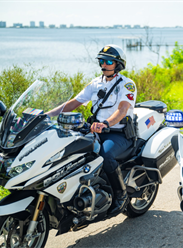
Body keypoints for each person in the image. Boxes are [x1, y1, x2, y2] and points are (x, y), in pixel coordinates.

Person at [47, 44, 136, 215]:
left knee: (106, 154)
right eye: (101, 60)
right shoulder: (95, 84)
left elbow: (122, 110)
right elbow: (74, 103)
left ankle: (121, 195)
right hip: (95, 130)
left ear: (118, 64)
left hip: (118, 133)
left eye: (108, 61)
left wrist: (106, 124)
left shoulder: (127, 85)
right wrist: (46, 115)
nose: (104, 64)